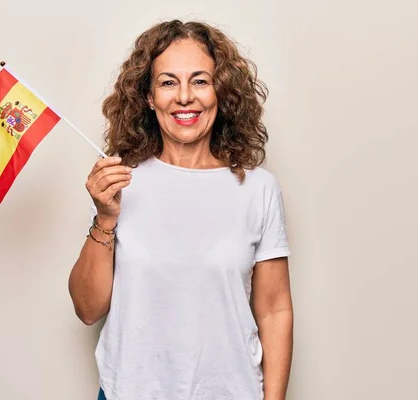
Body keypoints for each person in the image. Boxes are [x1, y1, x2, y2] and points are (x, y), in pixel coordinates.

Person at [68, 19, 294, 400]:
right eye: (168, 82)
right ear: (149, 96)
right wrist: (105, 218)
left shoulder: (258, 189)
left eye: (201, 81)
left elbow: (274, 311)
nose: (185, 97)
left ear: (221, 92)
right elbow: (88, 309)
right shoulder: (123, 182)